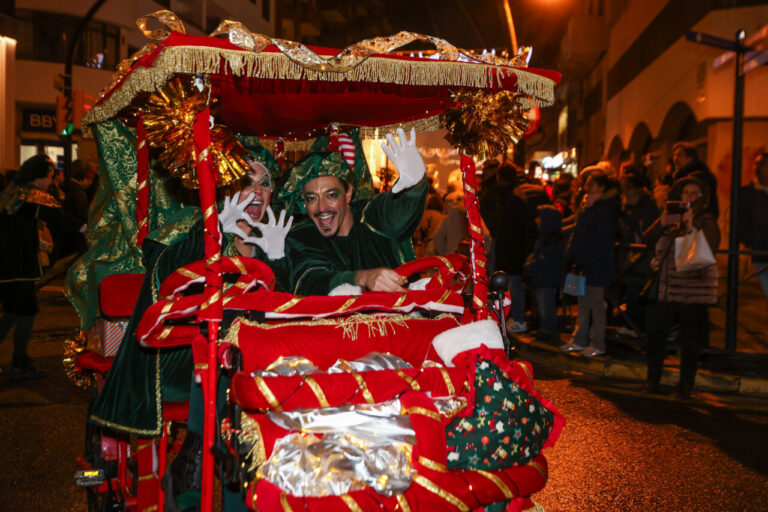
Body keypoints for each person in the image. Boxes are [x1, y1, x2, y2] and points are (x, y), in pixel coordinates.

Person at [278, 128, 427, 295]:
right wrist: (362, 278)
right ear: (304, 203)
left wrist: (415, 183)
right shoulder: (301, 236)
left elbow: (399, 211)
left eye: (331, 195)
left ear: (348, 193)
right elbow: (310, 280)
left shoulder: (371, 215)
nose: (321, 208)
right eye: (312, 198)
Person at [0, 155, 84, 380]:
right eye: (49, 176)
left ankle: (21, 361)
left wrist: (36, 240)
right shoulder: (33, 196)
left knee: (12, 313)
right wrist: (85, 228)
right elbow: (58, 218)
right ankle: (19, 363)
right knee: (25, 314)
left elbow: (13, 228)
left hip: (6, 268)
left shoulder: (10, 193)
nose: (50, 181)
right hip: (21, 269)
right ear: (38, 177)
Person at [643, 177, 719, 398]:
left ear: (703, 198)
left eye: (695, 193)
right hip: (665, 287)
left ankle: (686, 384)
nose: (690, 197)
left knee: (690, 338)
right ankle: (652, 379)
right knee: (656, 334)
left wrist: (692, 225)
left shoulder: (706, 219)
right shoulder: (672, 216)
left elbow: (711, 245)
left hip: (692, 289)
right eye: (686, 192)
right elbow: (648, 239)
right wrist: (662, 223)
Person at [560, 168, 620, 357]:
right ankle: (579, 339)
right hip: (583, 264)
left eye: (591, 184)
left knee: (596, 304)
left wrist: (581, 256)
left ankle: (597, 343)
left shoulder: (603, 209)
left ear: (601, 187)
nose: (586, 186)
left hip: (596, 265)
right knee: (583, 303)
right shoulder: (588, 206)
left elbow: (599, 240)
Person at [480, 162, 531, 333]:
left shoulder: (508, 198)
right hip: (512, 247)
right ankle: (513, 317)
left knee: (512, 285)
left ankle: (518, 318)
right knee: (510, 284)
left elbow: (502, 224)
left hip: (509, 248)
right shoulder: (514, 196)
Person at [524, 205, 564, 342]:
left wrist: (529, 266)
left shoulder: (552, 240)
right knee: (543, 303)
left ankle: (548, 329)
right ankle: (545, 327)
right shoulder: (545, 238)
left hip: (547, 279)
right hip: (543, 278)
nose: (537, 220)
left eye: (540, 217)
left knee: (546, 304)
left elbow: (544, 259)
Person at [738, 152, 768, 305]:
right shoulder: (747, 193)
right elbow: (741, 219)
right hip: (760, 251)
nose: (757, 167)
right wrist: (749, 241)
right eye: (756, 163)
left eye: (762, 163)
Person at [671, 141, 719, 218]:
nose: (675, 158)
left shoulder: (697, 178)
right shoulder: (681, 177)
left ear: (690, 158)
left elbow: (693, 204)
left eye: (679, 155)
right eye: (674, 155)